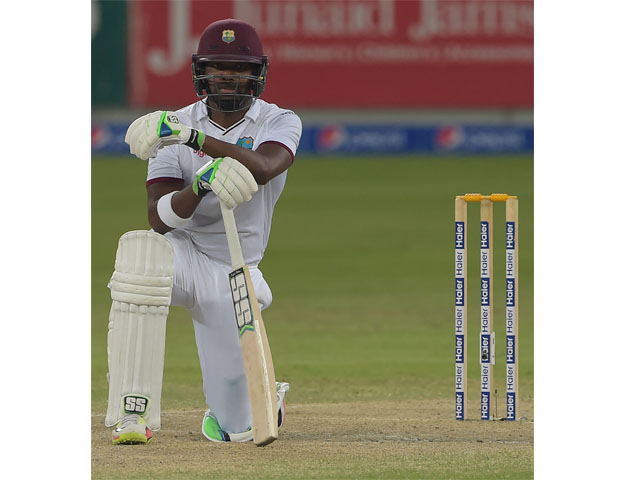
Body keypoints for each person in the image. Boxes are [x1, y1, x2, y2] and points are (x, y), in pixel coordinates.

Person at [104, 18, 302, 445]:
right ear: (202, 72)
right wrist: (199, 184)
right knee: (140, 259)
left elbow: (265, 168)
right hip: (182, 251)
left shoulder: (279, 121)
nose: (227, 76)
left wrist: (193, 139)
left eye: (239, 68)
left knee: (235, 430)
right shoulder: (171, 125)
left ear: (257, 75)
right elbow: (158, 218)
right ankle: (132, 412)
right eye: (218, 67)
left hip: (233, 267)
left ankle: (264, 395)